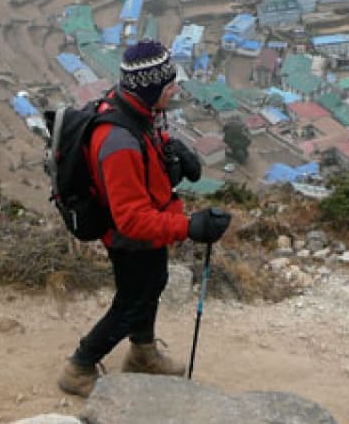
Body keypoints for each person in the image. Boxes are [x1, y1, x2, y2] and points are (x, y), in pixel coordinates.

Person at [58, 39, 232, 398]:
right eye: (169, 86)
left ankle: (142, 353)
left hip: (151, 228)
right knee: (132, 301)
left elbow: (146, 139)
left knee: (153, 285)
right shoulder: (118, 142)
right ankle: (79, 367)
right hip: (130, 238)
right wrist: (190, 227)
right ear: (152, 89)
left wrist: (170, 145)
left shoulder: (132, 107)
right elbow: (131, 220)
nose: (175, 90)